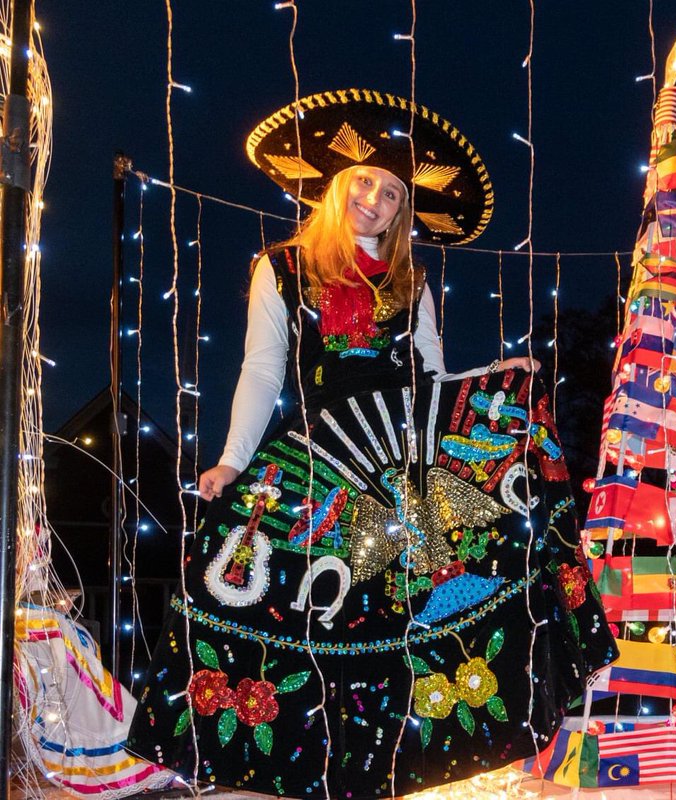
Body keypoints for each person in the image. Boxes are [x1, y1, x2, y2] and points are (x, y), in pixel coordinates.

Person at [124, 90, 616, 798]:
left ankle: (396, 771)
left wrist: (500, 378)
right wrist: (233, 460)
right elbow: (262, 371)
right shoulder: (282, 267)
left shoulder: (411, 281)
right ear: (335, 186)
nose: (376, 198)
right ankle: (294, 768)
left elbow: (436, 376)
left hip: (409, 475)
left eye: (391, 192)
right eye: (365, 181)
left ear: (402, 211)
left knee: (405, 633)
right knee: (294, 615)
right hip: (321, 466)